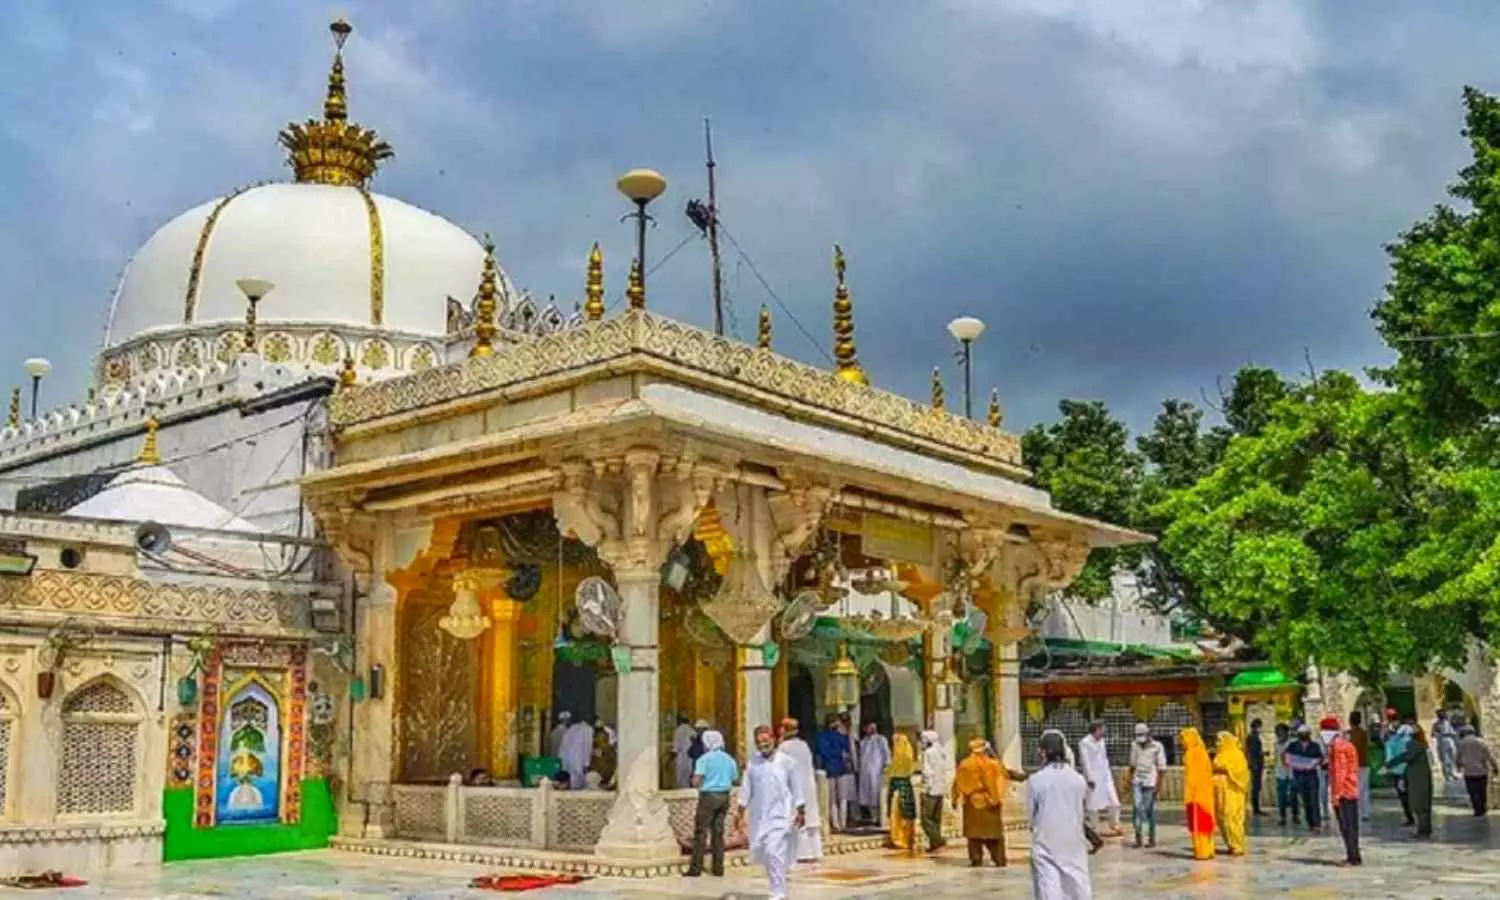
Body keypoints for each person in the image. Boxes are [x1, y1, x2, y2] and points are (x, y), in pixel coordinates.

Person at [735, 725, 806, 900]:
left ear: (773, 739)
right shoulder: (753, 763)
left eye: (766, 740)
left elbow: (796, 787)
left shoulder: (787, 762)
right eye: (759, 742)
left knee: (775, 852)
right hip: (760, 817)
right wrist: (740, 812)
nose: (763, 745)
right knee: (765, 853)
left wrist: (801, 810)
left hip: (781, 816)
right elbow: (746, 789)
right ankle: (777, 884)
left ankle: (778, 892)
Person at [1027, 731, 1093, 899]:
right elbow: (1083, 809)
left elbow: (1031, 816)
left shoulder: (1036, 780)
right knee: (1078, 885)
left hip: (1046, 843)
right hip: (1073, 843)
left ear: (1042, 752)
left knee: (1049, 888)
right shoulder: (1078, 779)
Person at [952, 738, 1023, 867]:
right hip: (991, 804)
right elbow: (1005, 775)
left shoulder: (965, 764)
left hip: (972, 804)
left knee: (974, 836)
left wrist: (954, 799)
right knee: (994, 836)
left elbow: (957, 783)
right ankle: (999, 859)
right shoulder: (993, 764)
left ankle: (976, 859)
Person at [687, 729, 738, 878]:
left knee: (701, 832)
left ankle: (695, 868)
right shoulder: (729, 759)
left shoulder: (704, 759)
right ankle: (718, 868)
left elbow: (696, 780)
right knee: (718, 833)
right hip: (724, 797)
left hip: (708, 796)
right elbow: (735, 778)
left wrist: (697, 782)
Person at [778, 717, 823, 861]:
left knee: (796, 817)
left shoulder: (784, 747)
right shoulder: (804, 745)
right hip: (808, 784)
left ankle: (802, 852)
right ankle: (816, 851)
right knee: (810, 816)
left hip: (794, 786)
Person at [1389, 724, 1434, 838]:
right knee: (1423, 805)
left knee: (1420, 805)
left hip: (1418, 778)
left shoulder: (1414, 745)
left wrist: (1392, 762)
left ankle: (1423, 831)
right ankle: (1425, 829)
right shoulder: (1420, 745)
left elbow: (1407, 757)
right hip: (1421, 777)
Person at [1078, 723, 1122, 837]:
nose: (1104, 731)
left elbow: (1104, 758)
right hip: (1093, 777)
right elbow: (1085, 761)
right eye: (1103, 729)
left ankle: (1114, 824)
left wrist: (1108, 774)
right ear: (1097, 730)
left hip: (1105, 776)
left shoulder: (1102, 741)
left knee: (1114, 802)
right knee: (1093, 805)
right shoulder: (1084, 743)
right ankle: (1094, 827)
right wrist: (1089, 778)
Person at [1328, 719, 1362, 866]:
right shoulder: (1345, 745)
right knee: (1351, 825)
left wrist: (1336, 793)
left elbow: (1339, 771)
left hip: (1344, 791)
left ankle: (1352, 857)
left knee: (1347, 825)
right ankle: (1354, 855)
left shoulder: (1338, 747)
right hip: (1351, 789)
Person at [1127, 723, 1165, 848]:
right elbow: (1132, 765)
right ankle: (1138, 838)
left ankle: (1151, 838)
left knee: (1149, 811)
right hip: (1137, 780)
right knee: (1137, 808)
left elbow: (1161, 768)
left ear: (1149, 734)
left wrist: (1158, 786)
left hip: (1150, 781)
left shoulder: (1157, 746)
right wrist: (1128, 781)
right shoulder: (1134, 745)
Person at [1181, 727, 1216, 861]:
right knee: (1206, 822)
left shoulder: (1191, 753)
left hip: (1196, 794)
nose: (1182, 742)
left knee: (1199, 823)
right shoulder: (1202, 751)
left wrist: (1190, 794)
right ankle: (1209, 849)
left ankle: (1202, 851)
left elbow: (1192, 776)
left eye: (1184, 738)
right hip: (1206, 793)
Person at [1212, 732, 1249, 856]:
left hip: (1232, 792)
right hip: (1221, 792)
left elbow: (1240, 773)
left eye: (1220, 741)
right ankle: (1230, 844)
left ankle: (1237, 845)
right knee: (1222, 818)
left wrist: (1224, 769)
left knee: (1231, 817)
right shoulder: (1220, 754)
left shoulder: (1237, 755)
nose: (1217, 743)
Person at [816, 715, 854, 832]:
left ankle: (836, 823)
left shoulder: (821, 736)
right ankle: (843, 823)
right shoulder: (840, 736)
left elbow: (821, 751)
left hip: (829, 768)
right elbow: (847, 748)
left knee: (832, 798)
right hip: (841, 768)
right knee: (842, 797)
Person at [1284, 724, 1325, 833]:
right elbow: (1287, 757)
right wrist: (1293, 763)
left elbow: (1320, 758)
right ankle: (1310, 823)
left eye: (1305, 734)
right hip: (1299, 777)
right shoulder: (1293, 745)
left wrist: (1312, 764)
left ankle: (1317, 824)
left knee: (1314, 800)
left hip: (1311, 776)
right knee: (1306, 801)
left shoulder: (1314, 746)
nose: (1303, 735)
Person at [919, 729, 951, 853]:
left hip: (931, 790)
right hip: (941, 789)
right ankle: (935, 845)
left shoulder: (928, 753)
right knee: (936, 820)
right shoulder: (942, 751)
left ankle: (939, 841)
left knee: (926, 819)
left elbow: (927, 772)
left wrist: (925, 787)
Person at [1455, 724, 1498, 816]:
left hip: (1469, 772)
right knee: (1482, 791)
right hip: (1481, 771)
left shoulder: (1461, 743)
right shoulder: (1481, 742)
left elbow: (1458, 758)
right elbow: (1489, 756)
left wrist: (1458, 767)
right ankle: (1482, 809)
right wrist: (1495, 767)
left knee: (1472, 791)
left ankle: (1476, 809)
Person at [886, 732, 919, 852]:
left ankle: (900, 839)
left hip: (897, 788)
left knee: (898, 814)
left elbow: (889, 772)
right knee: (906, 813)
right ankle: (908, 839)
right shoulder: (908, 756)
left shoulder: (898, 759)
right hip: (906, 786)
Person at [857, 722, 890, 826]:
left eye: (873, 727)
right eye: (869, 727)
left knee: (878, 795)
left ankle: (881, 818)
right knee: (868, 795)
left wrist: (887, 765)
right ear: (865, 729)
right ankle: (873, 818)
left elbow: (887, 753)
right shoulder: (863, 742)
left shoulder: (881, 739)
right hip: (865, 772)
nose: (871, 729)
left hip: (877, 771)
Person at [1385, 720, 1415, 825]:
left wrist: (1387, 770)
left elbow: (1389, 759)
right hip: (1411, 771)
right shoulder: (1410, 740)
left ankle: (1410, 818)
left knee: (1403, 796)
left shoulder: (1390, 742)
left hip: (1397, 773)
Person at [1272, 723, 1299, 827]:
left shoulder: (1293, 742)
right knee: (1281, 796)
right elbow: (1276, 758)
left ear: (1286, 732)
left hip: (1292, 772)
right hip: (1280, 772)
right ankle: (1282, 817)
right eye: (1277, 733)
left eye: (1281, 732)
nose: (1279, 734)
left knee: (1293, 795)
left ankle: (1295, 815)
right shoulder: (1276, 744)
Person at [558, 717, 594, 789]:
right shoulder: (587, 730)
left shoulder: (570, 731)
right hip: (577, 761)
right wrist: (586, 762)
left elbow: (562, 748)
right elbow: (587, 747)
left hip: (568, 761)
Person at [1349, 711, 1372, 821]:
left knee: (1354, 789)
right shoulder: (1364, 733)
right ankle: (1365, 812)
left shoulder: (1350, 734)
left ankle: (1356, 810)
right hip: (1364, 763)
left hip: (1354, 764)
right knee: (1364, 789)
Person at [1245, 719, 1266, 817]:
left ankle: (1256, 808)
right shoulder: (1253, 737)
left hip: (1257, 763)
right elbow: (1253, 752)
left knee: (1257, 786)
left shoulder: (1253, 736)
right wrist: (1255, 763)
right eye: (1259, 726)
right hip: (1256, 764)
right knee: (1256, 787)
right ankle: (1256, 808)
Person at [1434, 709, 1459, 789]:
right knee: (1445, 760)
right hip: (1442, 742)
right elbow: (1434, 734)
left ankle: (1453, 773)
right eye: (1440, 714)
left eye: (1443, 713)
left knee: (1453, 758)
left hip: (1451, 741)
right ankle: (1447, 775)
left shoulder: (1449, 723)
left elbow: (1455, 732)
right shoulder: (1436, 724)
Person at [672, 716, 696, 788]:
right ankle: (688, 787)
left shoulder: (677, 730)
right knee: (689, 771)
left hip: (681, 755)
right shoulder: (692, 730)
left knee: (680, 773)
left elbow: (676, 746)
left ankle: (681, 788)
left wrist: (674, 751)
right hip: (690, 755)